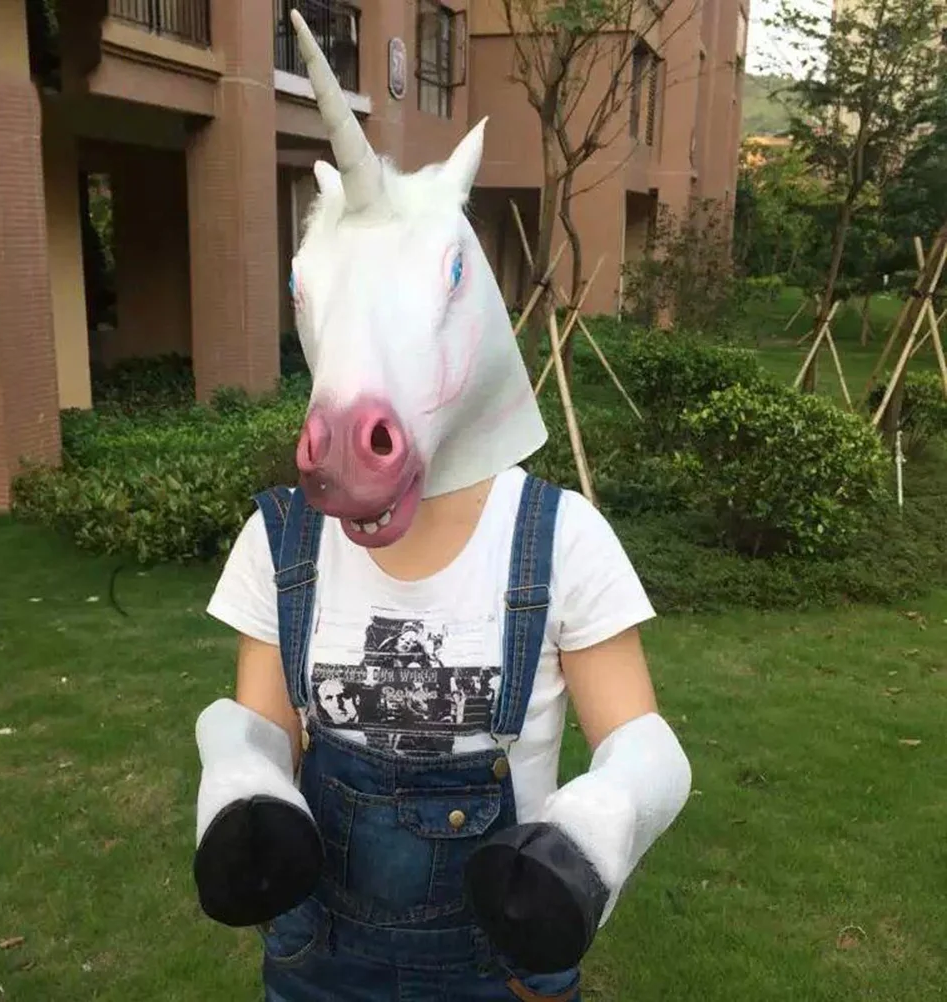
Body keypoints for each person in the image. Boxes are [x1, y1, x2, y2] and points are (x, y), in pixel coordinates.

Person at [192, 12, 692, 1002]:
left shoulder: (564, 545)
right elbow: (263, 722)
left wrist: (584, 845)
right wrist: (238, 783)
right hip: (314, 959)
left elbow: (642, 743)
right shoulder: (278, 543)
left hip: (499, 968)